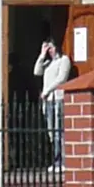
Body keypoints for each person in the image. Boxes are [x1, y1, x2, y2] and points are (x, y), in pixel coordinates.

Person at [34, 36, 73, 166]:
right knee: (51, 132)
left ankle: (62, 162)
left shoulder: (64, 60)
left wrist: (47, 91)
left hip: (58, 98)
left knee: (58, 131)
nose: (50, 50)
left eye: (51, 47)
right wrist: (41, 54)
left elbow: (61, 78)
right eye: (47, 47)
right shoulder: (47, 63)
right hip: (48, 101)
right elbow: (37, 72)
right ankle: (57, 159)